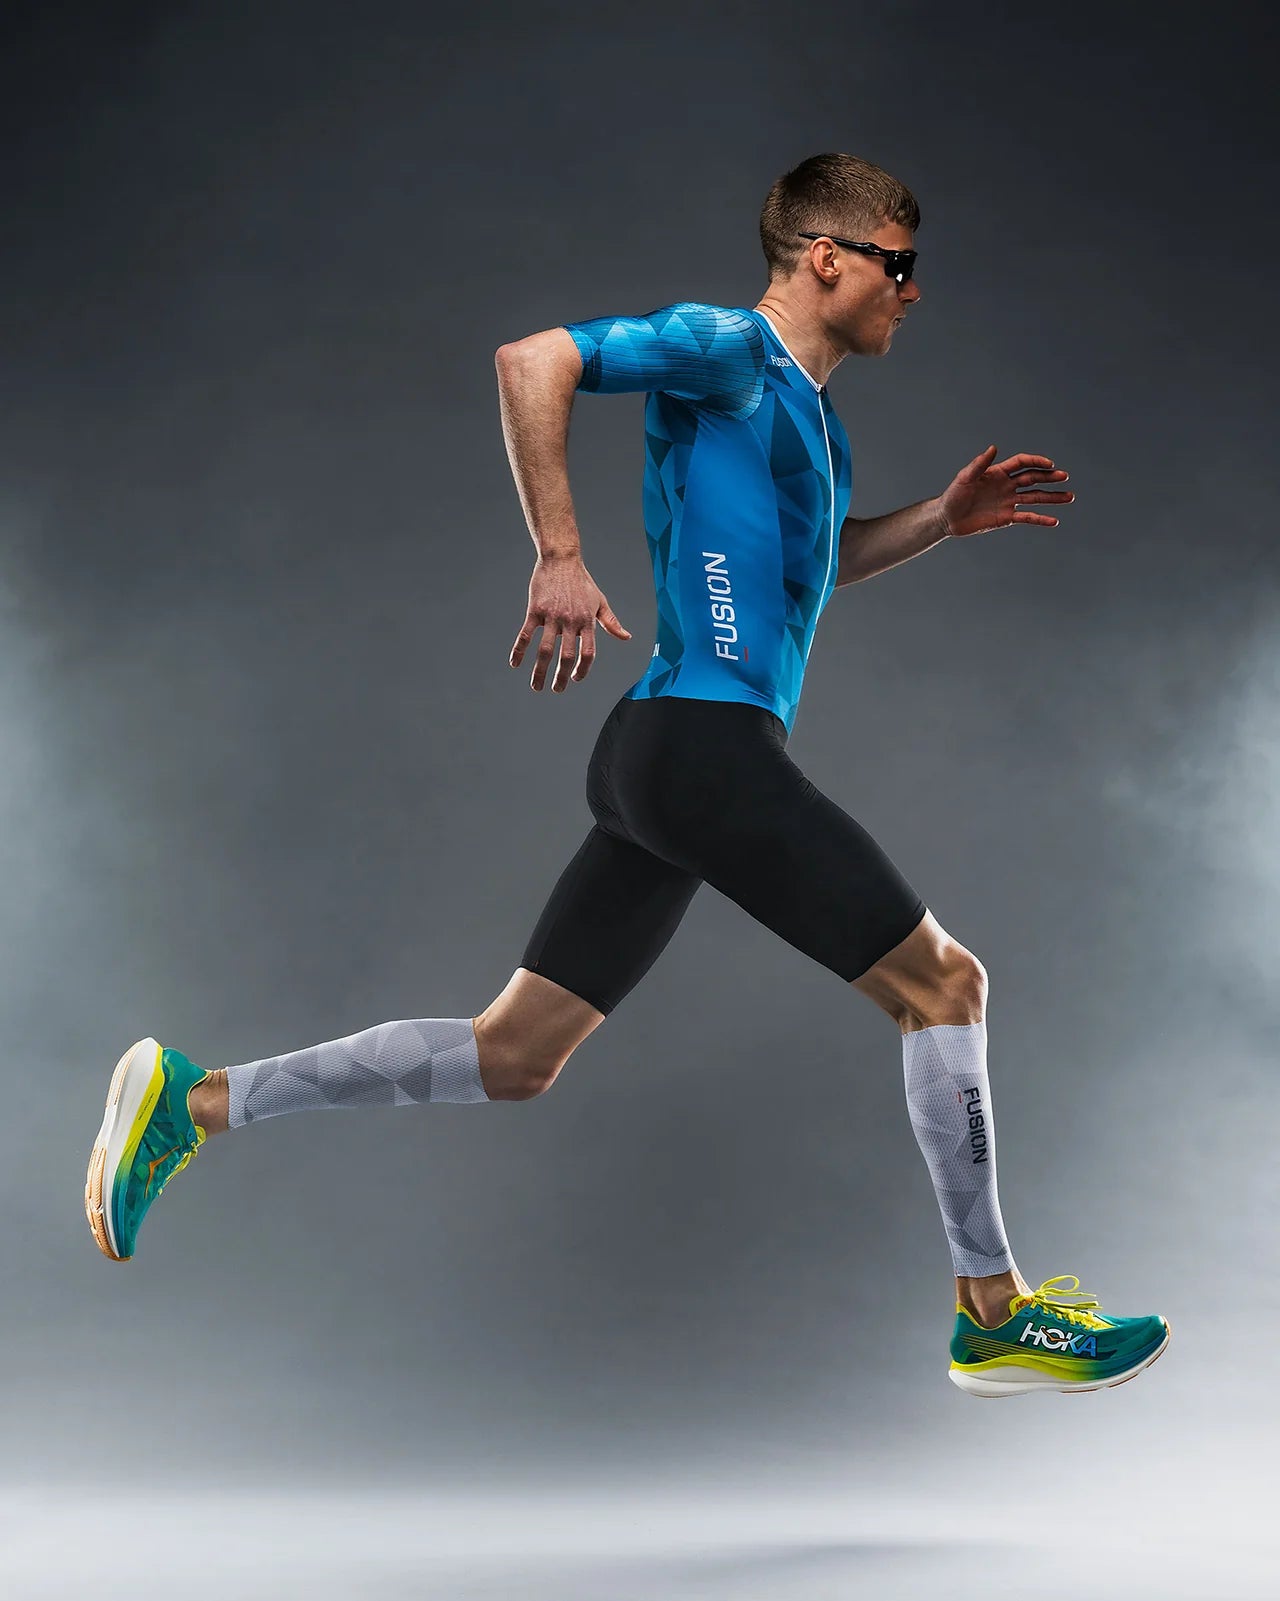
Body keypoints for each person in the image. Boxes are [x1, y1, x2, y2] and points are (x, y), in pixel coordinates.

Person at [85, 151, 1169, 1398]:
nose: (911, 289)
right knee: (946, 984)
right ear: (827, 258)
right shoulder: (726, 346)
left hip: (665, 752)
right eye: (898, 263)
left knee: (512, 1054)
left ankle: (193, 1101)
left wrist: (939, 518)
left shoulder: (813, 420)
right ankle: (992, 1310)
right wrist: (558, 550)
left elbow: (813, 566)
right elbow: (531, 360)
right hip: (700, 744)